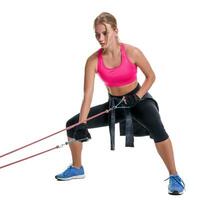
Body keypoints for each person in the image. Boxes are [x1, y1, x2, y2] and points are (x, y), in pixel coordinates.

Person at [55, 12, 185, 195]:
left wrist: (138, 96)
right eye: (97, 34)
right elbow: (87, 95)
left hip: (139, 100)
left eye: (104, 33)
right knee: (72, 125)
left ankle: (175, 176)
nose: (100, 38)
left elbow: (151, 76)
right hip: (115, 105)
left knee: (158, 129)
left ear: (115, 31)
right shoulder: (93, 61)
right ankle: (77, 168)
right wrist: (82, 123)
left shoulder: (132, 52)